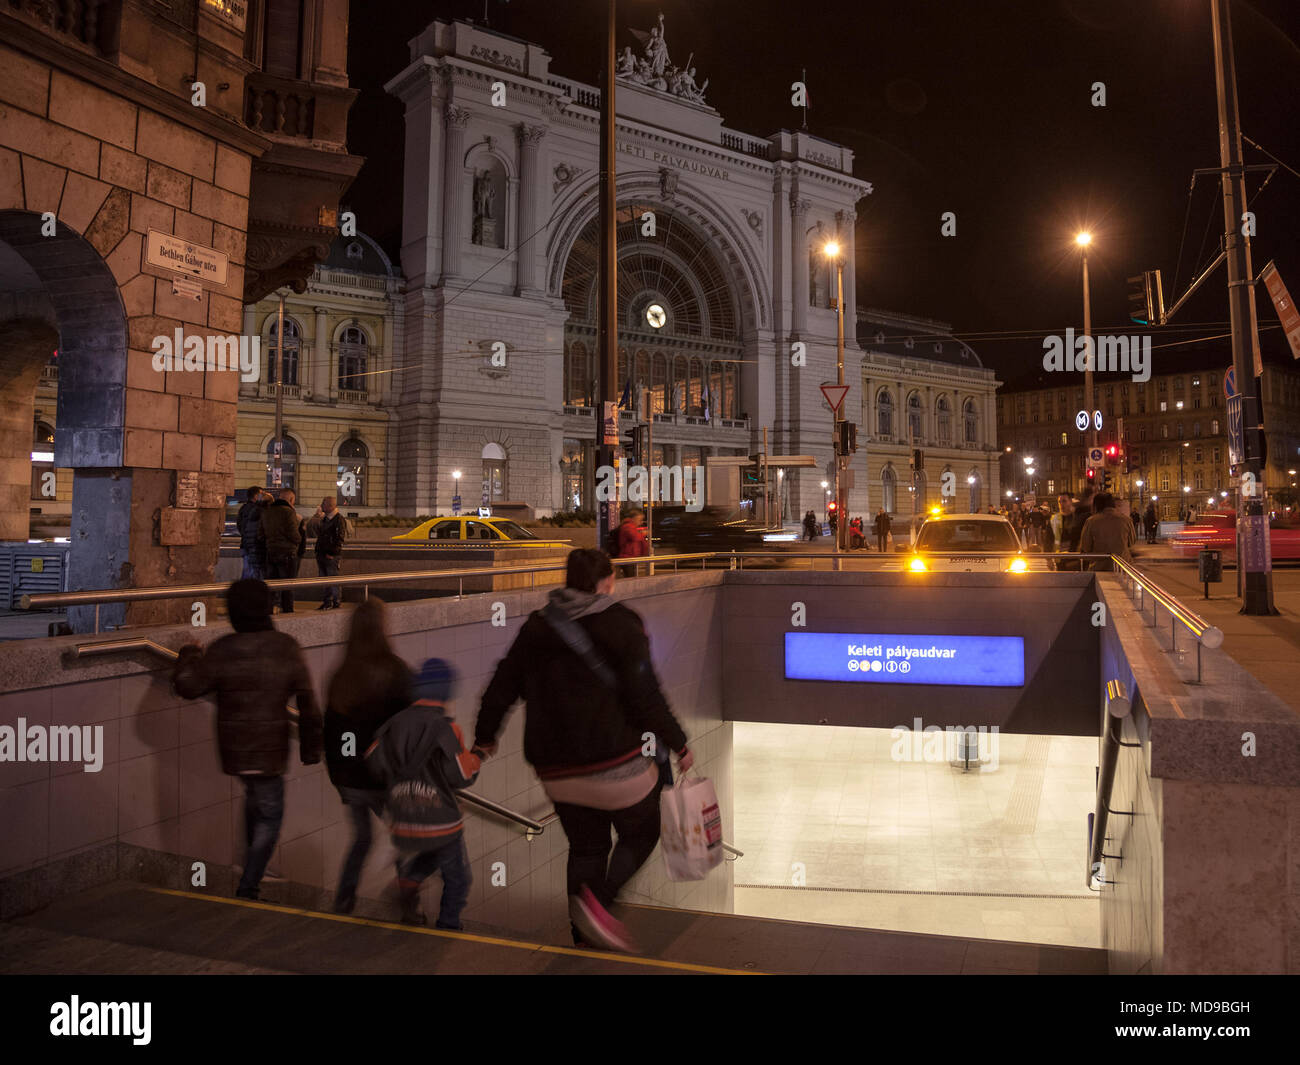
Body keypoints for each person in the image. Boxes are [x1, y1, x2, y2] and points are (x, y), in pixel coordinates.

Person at [475, 548, 692, 953]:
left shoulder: (537, 627)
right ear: (605, 582)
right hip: (613, 761)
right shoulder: (623, 623)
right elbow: (645, 696)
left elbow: (501, 687)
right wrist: (678, 741)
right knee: (645, 828)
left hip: (554, 769)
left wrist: (483, 740)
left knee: (587, 845)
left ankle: (582, 939)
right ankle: (600, 904)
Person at [172, 579, 322, 900]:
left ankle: (251, 865)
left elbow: (188, 685)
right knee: (270, 814)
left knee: (256, 802)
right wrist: (311, 748)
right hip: (270, 752)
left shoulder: (223, 648)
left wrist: (188, 653)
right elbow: (308, 702)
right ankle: (249, 885)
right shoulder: (285, 646)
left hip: (235, 752)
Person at [366, 659, 482, 929]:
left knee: (434, 851)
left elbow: (374, 762)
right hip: (440, 818)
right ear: (445, 692)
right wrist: (476, 758)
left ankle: (408, 881)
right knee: (458, 878)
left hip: (402, 816)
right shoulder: (446, 728)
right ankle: (448, 926)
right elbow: (461, 777)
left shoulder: (393, 723)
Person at [324, 598, 413, 914]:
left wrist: (339, 777)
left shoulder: (341, 676)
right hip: (385, 776)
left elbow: (332, 734)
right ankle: (407, 905)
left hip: (350, 778)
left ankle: (344, 901)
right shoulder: (396, 671)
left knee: (362, 839)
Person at [258, 488, 302, 613]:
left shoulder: (267, 511)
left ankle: (269, 612)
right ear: (291, 499)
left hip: (271, 553)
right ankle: (287, 613)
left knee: (271, 586)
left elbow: (260, 534)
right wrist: (298, 539)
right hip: (287, 553)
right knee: (287, 587)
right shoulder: (288, 512)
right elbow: (293, 534)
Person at [307, 495, 348, 610]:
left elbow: (339, 539)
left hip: (330, 555)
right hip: (322, 553)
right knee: (324, 579)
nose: (321, 505)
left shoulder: (338, 519)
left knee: (332, 578)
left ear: (330, 506)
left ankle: (335, 602)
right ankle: (327, 602)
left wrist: (332, 553)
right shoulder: (326, 518)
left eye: (323, 503)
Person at [1079, 492, 1136, 571]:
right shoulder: (1126, 520)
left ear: (1096, 505)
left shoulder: (1091, 521)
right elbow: (1131, 542)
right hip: (1123, 568)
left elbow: (1085, 547)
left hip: (1099, 567)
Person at [236, 486, 268, 579]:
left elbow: (240, 526)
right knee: (254, 574)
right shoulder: (256, 510)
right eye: (262, 494)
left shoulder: (243, 508)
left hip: (245, 544)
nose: (263, 497)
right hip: (254, 546)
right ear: (256, 496)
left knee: (247, 571)